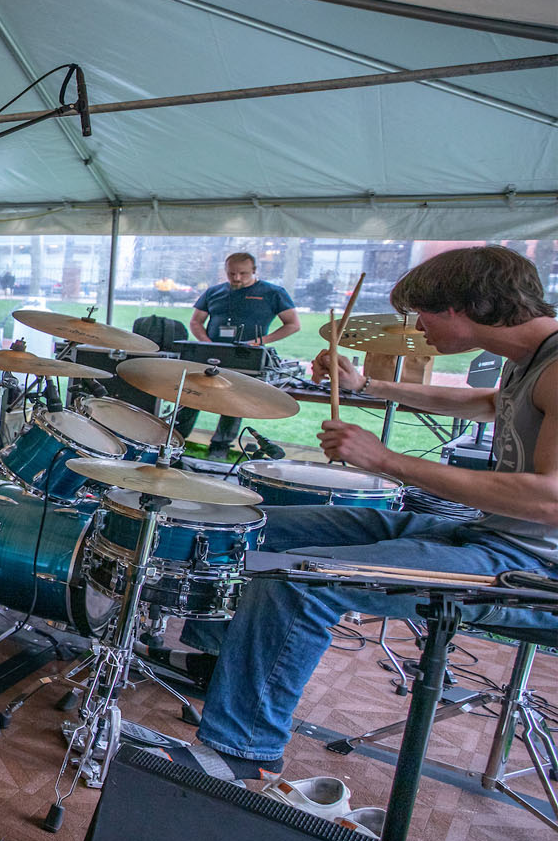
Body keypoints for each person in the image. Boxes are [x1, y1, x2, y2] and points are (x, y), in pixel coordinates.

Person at [164, 246, 558, 781]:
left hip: (533, 571)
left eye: (424, 314)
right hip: (490, 536)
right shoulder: (531, 358)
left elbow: (549, 500)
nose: (417, 328)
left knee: (298, 581)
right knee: (253, 527)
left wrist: (386, 461)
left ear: (464, 308)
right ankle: (216, 664)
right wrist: (367, 387)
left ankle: (241, 751)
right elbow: (488, 404)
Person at [180, 251, 301, 458]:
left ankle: (219, 447)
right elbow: (195, 321)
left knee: (232, 401)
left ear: (254, 271)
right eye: (231, 273)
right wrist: (207, 343)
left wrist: (260, 341)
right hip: (211, 355)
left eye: (243, 274)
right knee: (192, 396)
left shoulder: (273, 292)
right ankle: (177, 439)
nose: (236, 278)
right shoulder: (213, 292)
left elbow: (293, 325)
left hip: (247, 357)